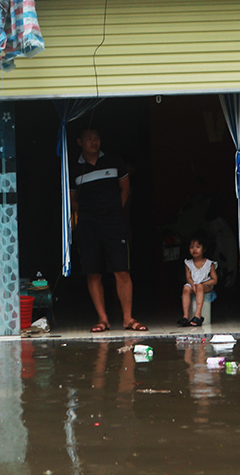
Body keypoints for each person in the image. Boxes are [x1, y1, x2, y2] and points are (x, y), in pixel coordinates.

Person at [70, 127, 147, 333]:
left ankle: (128, 318)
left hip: (113, 223)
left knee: (121, 269)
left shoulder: (114, 161)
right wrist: (91, 210)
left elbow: (125, 188)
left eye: (96, 138)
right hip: (88, 225)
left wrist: (114, 211)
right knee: (93, 271)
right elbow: (71, 200)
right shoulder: (74, 168)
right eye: (89, 139)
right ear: (80, 142)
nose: (93, 142)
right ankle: (102, 319)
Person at [179, 233, 217, 327]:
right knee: (186, 288)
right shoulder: (188, 263)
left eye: (197, 247)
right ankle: (185, 316)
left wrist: (202, 283)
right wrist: (193, 285)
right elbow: (188, 278)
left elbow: (214, 280)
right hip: (193, 285)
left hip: (206, 286)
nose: (194, 249)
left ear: (204, 249)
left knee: (200, 286)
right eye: (192, 247)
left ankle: (198, 316)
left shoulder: (209, 263)